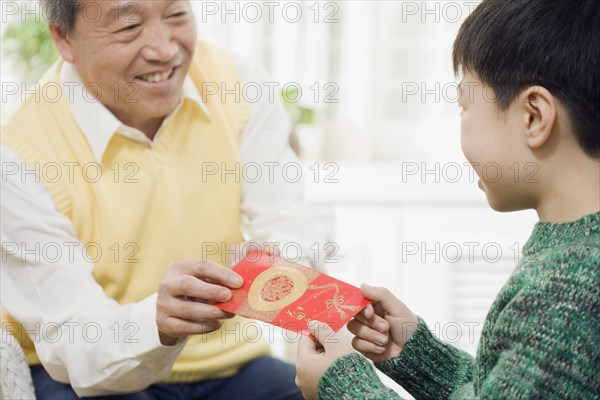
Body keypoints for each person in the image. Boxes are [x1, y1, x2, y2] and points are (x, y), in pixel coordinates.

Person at [0, 0, 331, 399]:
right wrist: (158, 322)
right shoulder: (18, 153)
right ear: (63, 37)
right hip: (85, 377)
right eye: (128, 26)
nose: (164, 49)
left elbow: (288, 216)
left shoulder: (239, 84)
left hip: (233, 365)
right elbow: (73, 341)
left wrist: (279, 257)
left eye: (176, 15)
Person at [295, 0, 600, 398]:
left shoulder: (566, 290)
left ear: (533, 117)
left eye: (465, 105)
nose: (461, 123)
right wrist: (420, 357)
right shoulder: (574, 259)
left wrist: (341, 386)